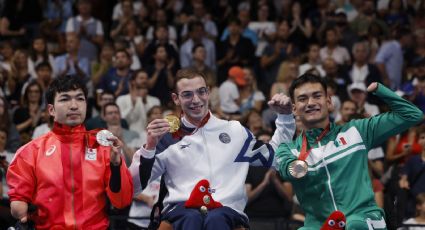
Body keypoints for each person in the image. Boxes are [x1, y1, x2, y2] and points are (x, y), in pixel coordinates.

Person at [129, 68, 295, 230]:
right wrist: (149, 148)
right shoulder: (166, 138)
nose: (196, 99)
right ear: (176, 98)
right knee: (191, 217)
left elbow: (275, 158)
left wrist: (285, 118)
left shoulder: (234, 131)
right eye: (187, 94)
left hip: (227, 214)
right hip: (180, 215)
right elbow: (134, 186)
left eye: (201, 92)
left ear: (208, 92)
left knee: (217, 218)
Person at [275, 73, 423, 229]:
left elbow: (413, 115)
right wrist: (302, 161)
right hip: (319, 225)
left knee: (355, 225)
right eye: (303, 99)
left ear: (329, 102)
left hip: (363, 219)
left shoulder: (357, 131)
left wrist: (380, 90)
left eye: (317, 96)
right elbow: (289, 171)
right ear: (294, 108)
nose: (310, 103)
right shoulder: (289, 149)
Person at [6, 75, 133, 229]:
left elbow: (121, 201)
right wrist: (20, 208)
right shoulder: (30, 152)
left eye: (80, 99)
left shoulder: (103, 147)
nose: (74, 106)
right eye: (65, 99)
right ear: (51, 110)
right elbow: (18, 208)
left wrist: (115, 164)